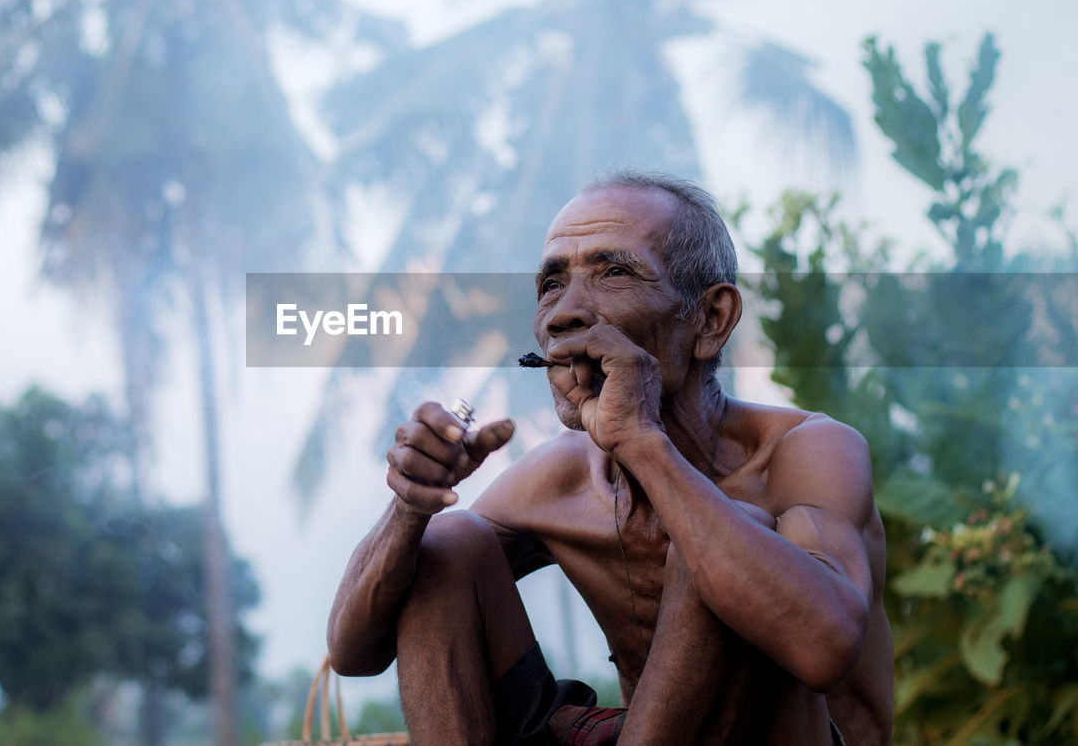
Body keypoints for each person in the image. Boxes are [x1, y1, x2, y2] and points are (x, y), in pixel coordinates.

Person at [326, 171, 893, 745]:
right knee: (446, 543)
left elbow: (824, 649)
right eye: (551, 283)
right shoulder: (559, 481)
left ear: (710, 319)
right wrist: (410, 507)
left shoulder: (809, 451)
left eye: (614, 272)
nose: (563, 314)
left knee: (723, 536)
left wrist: (643, 443)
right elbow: (353, 652)